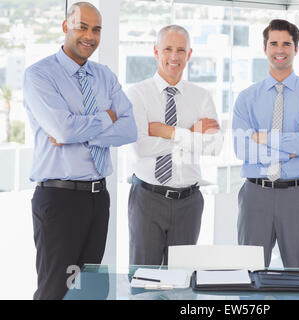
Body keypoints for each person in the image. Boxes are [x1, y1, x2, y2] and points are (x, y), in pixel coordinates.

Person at [23, 2, 137, 300]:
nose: (90, 35)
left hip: (99, 198)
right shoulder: (40, 75)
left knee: (89, 292)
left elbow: (130, 129)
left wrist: (81, 131)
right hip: (60, 199)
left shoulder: (104, 76)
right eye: (82, 27)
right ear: (65, 27)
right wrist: (106, 117)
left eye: (96, 29)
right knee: (55, 290)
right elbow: (63, 130)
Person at [232, 19, 299, 268]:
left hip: (298, 196)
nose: (280, 49)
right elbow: (242, 149)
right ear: (265, 48)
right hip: (255, 195)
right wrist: (292, 150)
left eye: (287, 43)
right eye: (273, 43)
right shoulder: (246, 98)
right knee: (248, 274)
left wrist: (265, 139)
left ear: (296, 49)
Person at [127, 25, 223, 266]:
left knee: (181, 281)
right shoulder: (138, 94)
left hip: (189, 203)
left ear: (189, 54)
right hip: (148, 198)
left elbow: (213, 146)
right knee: (143, 278)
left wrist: (166, 131)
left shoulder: (202, 96)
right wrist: (191, 134)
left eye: (181, 50)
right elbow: (141, 147)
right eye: (168, 48)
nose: (174, 56)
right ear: (156, 51)